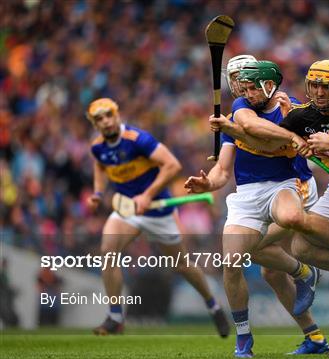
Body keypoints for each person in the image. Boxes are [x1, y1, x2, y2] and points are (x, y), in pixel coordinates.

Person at [211, 59, 329, 358]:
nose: (320, 92)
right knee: (296, 251)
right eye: (315, 86)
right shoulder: (298, 114)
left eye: (326, 86)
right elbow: (267, 145)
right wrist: (232, 131)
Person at [186, 60, 329, 358]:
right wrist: (208, 183)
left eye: (248, 79)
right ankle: (310, 336)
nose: (242, 85)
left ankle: (325, 265)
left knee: (253, 251)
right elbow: (223, 172)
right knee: (262, 269)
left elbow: (265, 139)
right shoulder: (234, 117)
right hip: (251, 195)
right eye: (237, 79)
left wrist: (237, 130)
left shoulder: (284, 104)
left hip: (295, 187)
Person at [86, 98, 229, 337]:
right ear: (94, 124)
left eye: (109, 115)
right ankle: (115, 316)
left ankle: (213, 305)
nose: (106, 122)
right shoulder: (98, 147)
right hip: (128, 209)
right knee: (108, 251)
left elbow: (172, 165)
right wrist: (98, 193)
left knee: (181, 265)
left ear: (117, 115)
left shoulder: (138, 140)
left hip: (158, 211)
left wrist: (147, 195)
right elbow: (100, 167)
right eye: (99, 119)